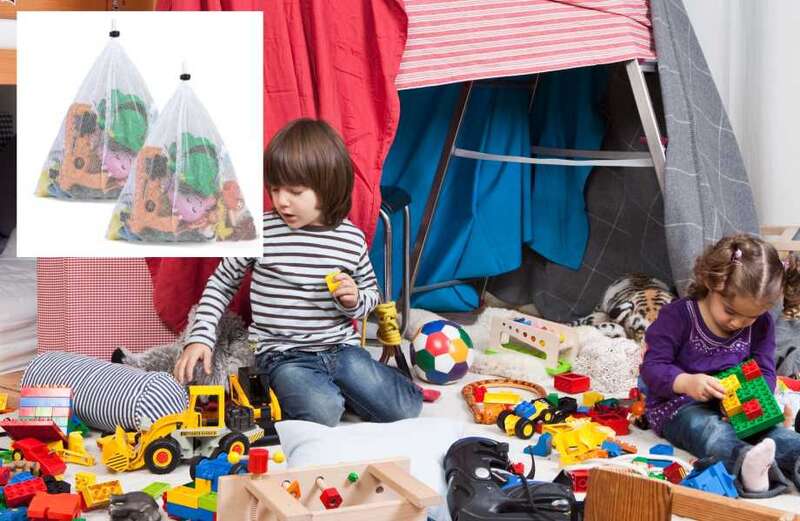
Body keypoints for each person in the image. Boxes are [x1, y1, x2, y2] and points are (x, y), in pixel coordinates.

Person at [174, 118, 422, 427]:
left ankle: (349, 389)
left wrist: (354, 299)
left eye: (295, 192)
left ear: (327, 188)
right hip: (281, 354)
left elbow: (371, 294)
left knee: (407, 408)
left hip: (340, 349)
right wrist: (200, 338)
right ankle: (328, 396)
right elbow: (221, 284)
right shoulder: (260, 230)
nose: (281, 200)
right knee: (324, 412)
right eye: (275, 189)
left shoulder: (350, 238)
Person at [640, 234, 800, 495]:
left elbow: (764, 369)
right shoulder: (679, 316)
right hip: (679, 405)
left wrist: (752, 397)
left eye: (750, 316)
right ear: (711, 282)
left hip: (735, 405)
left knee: (773, 434)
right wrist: (687, 382)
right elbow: (653, 367)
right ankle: (746, 464)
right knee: (711, 432)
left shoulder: (760, 324)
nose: (738, 323)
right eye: (730, 311)